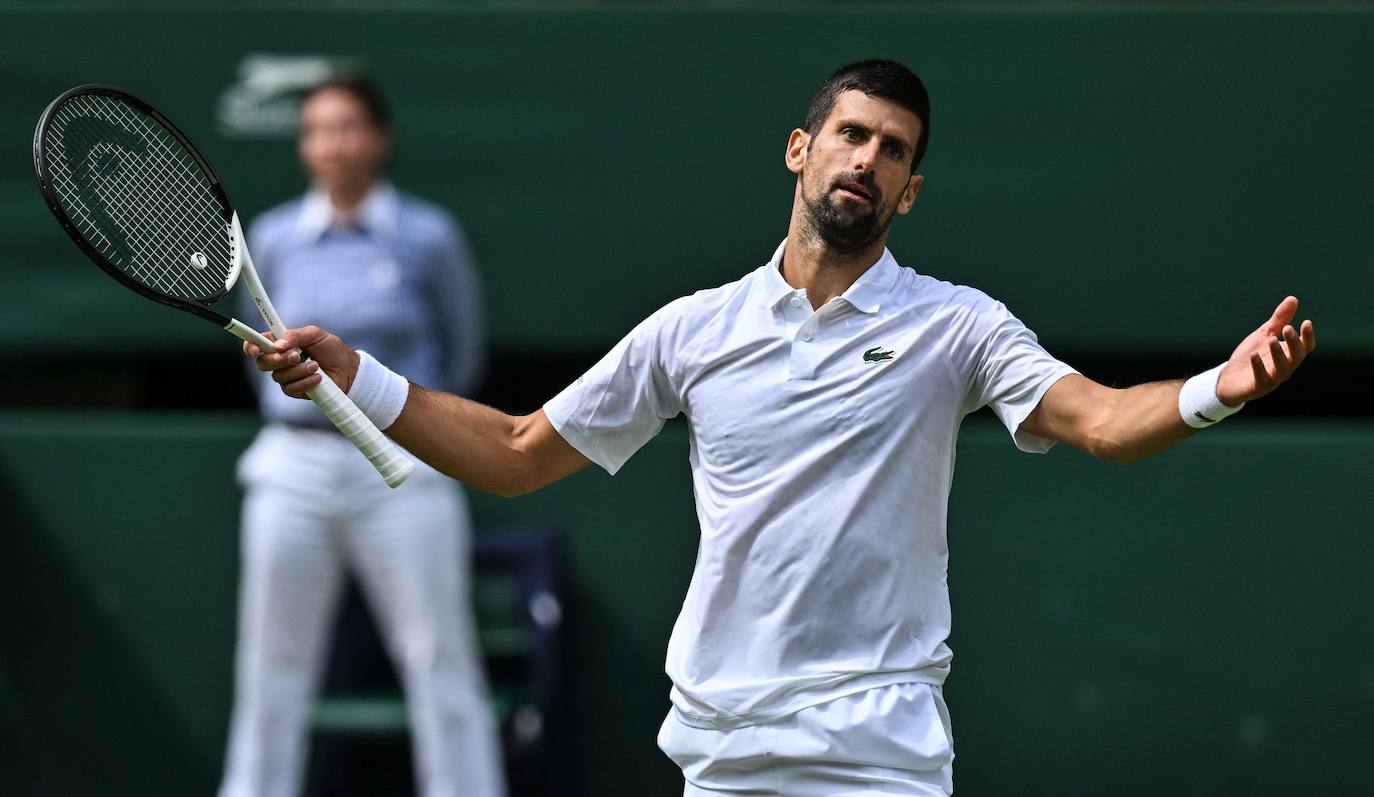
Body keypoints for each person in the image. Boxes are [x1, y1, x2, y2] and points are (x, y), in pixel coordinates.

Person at [244, 60, 1316, 796]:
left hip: (880, 747)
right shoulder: (692, 330)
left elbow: (1101, 421)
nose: (868, 158)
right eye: (851, 134)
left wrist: (1215, 386)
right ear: (802, 150)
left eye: (893, 150)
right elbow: (520, 453)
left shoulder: (958, 326)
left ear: (910, 189)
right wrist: (361, 375)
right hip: (724, 745)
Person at [219, 75, 506, 797]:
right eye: (317, 128)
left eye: (349, 125)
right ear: (303, 145)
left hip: (407, 465)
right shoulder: (276, 235)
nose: (333, 141)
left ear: (380, 138)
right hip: (292, 468)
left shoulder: (430, 236)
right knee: (270, 663)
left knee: (439, 654)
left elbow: (460, 351)